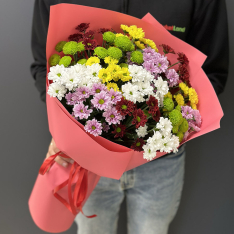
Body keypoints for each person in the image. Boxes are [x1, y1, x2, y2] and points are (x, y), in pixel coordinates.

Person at [30, 0, 229, 233]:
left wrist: (163, 127)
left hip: (160, 162)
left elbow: (212, 73)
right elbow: (44, 66)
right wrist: (65, 130)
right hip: (85, 160)